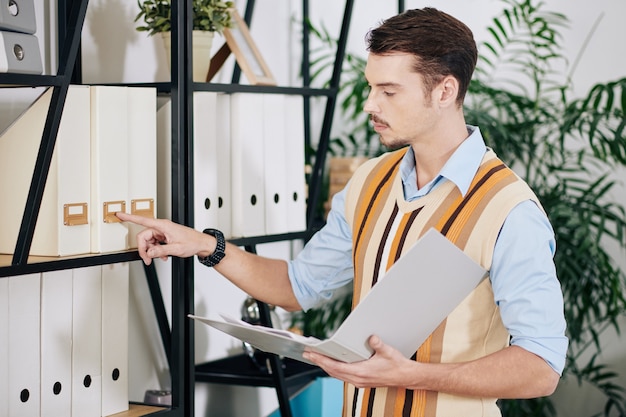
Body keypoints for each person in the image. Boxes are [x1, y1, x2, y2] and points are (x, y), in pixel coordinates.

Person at [117, 7, 568, 417]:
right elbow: (300, 286)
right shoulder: (370, 180)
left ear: (445, 90)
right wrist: (205, 246)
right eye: (371, 87)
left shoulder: (509, 209)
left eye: (389, 91)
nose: (371, 105)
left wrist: (413, 377)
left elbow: (540, 366)